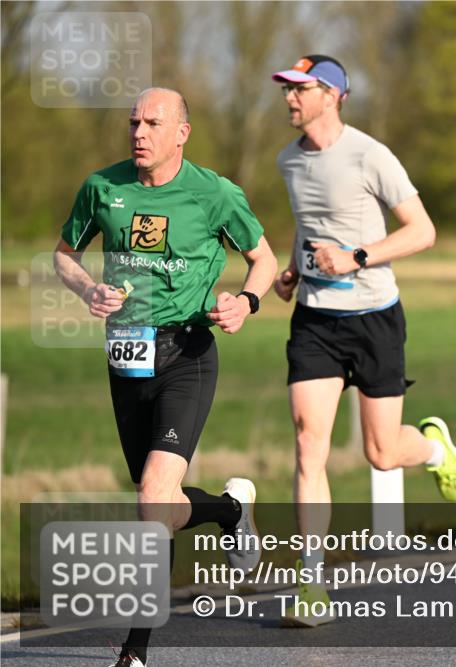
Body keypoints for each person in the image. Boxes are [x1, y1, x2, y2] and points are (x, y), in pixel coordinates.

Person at [53, 87, 278, 666]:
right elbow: (63, 254)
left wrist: (247, 303)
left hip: (189, 352)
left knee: (154, 498)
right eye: (134, 122)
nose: (139, 132)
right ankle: (230, 510)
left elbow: (265, 260)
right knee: (160, 505)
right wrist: (88, 289)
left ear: (182, 132)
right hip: (126, 354)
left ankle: (135, 652)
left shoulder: (215, 194)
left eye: (153, 123)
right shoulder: (103, 188)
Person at [270, 55, 456, 626]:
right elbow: (310, 227)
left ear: (331, 95)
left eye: (299, 89)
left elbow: (423, 232)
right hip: (314, 321)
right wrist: (292, 269)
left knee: (381, 453)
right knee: (310, 443)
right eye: (286, 89)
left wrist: (356, 257)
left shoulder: (369, 154)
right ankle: (311, 584)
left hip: (374, 318)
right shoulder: (288, 160)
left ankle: (435, 449)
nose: (288, 98)